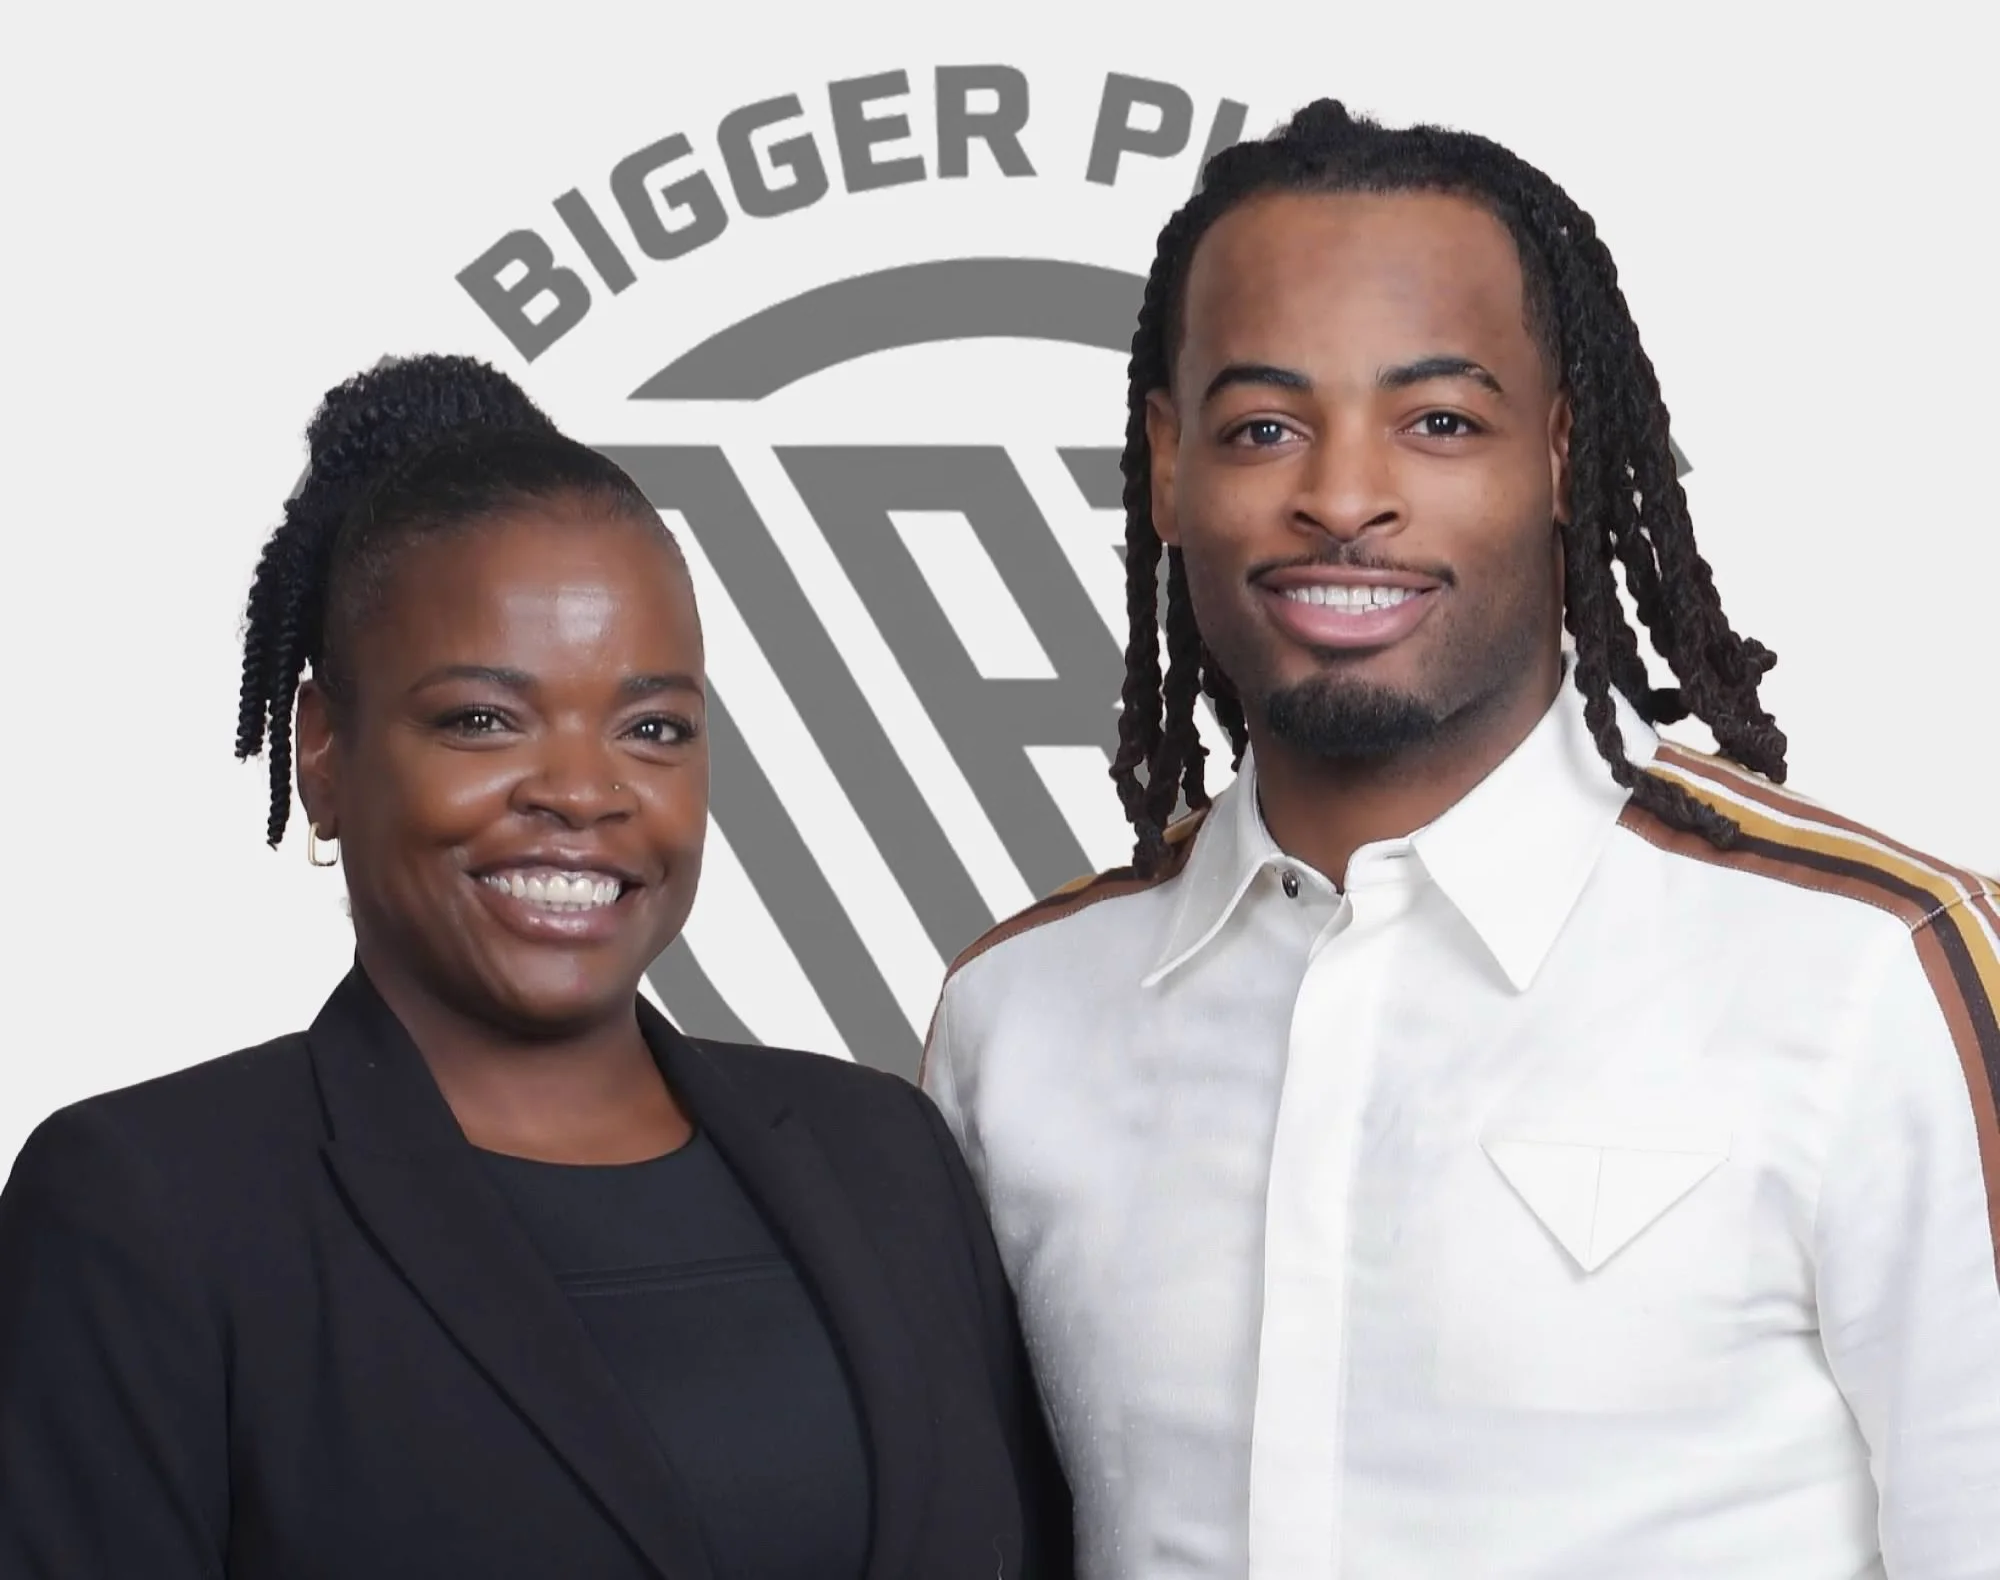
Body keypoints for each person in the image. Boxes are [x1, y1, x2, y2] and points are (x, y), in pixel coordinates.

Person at [921, 100, 2000, 1578]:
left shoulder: (1876, 972)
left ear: (1561, 454)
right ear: (1166, 466)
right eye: (1263, 426)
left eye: (1439, 421)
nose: (1345, 497)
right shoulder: (1014, 1017)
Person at [0, 355, 1072, 1580]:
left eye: (651, 727)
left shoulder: (889, 1157)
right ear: (324, 752)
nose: (581, 789)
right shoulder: (151, 1208)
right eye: (481, 719)